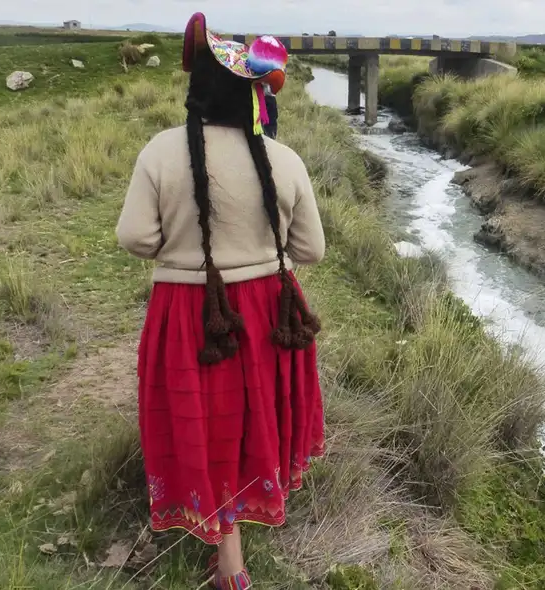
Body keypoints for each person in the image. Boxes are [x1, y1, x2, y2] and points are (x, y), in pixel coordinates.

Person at [115, 13, 325, 590]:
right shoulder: (286, 162)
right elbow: (311, 249)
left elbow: (135, 237)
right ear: (254, 96)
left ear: (198, 91)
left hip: (190, 315)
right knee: (252, 420)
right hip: (270, 314)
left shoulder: (161, 151)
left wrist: (178, 250)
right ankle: (232, 555)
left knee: (208, 423)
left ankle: (230, 566)